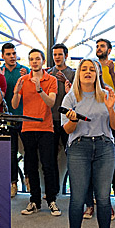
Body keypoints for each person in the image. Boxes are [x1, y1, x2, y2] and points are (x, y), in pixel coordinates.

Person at [61, 59, 115, 228]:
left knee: (103, 197)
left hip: (104, 146)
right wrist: (72, 120)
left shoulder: (107, 94)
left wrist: (111, 108)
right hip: (79, 147)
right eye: (84, 69)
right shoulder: (70, 98)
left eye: (92, 69)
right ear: (78, 74)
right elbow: (68, 130)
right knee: (77, 198)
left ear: (97, 74)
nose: (88, 72)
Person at [12, 49, 59, 216]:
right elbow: (15, 104)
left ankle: (52, 200)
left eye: (37, 59)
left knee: (48, 165)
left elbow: (51, 102)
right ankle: (34, 201)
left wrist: (40, 89)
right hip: (27, 128)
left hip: (46, 128)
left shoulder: (51, 79)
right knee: (30, 166)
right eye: (31, 59)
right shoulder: (23, 79)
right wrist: (17, 91)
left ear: (43, 61)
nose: (34, 62)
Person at [95, 38, 115, 207]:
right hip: (94, 118)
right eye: (97, 46)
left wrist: (112, 72)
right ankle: (99, 193)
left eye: (102, 46)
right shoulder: (92, 67)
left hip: (112, 116)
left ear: (109, 49)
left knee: (114, 155)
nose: (99, 49)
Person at [0, 42, 29, 198]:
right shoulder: (0, 72)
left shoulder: (24, 70)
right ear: (3, 55)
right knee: (10, 152)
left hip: (24, 116)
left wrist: (27, 77)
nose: (12, 56)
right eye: (9, 54)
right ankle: (13, 183)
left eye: (14, 53)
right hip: (8, 118)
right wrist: (0, 76)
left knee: (28, 151)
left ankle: (28, 177)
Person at [48, 43, 76, 193]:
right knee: (51, 157)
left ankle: (76, 189)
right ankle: (53, 190)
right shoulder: (47, 74)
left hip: (68, 120)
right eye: (55, 55)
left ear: (66, 55)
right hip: (51, 120)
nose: (57, 57)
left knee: (72, 155)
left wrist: (67, 83)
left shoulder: (73, 73)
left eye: (60, 54)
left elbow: (77, 97)